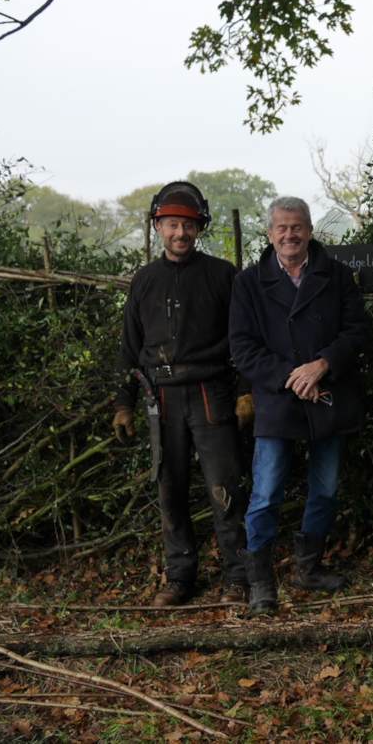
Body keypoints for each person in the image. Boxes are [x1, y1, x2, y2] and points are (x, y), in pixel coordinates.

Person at [112, 181, 251, 607]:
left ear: (199, 229)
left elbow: (244, 338)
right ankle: (180, 577)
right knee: (169, 488)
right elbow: (129, 346)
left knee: (223, 487)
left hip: (211, 393)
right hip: (162, 398)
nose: (180, 233)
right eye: (172, 224)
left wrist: (247, 392)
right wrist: (123, 404)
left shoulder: (222, 276)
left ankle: (237, 577)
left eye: (188, 226)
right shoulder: (145, 281)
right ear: (158, 227)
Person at [229, 196, 368, 616]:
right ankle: (260, 581)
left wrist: (323, 364)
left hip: (327, 395)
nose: (290, 235)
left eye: (297, 227)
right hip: (277, 401)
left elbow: (358, 331)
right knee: (266, 492)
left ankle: (308, 568)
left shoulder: (338, 277)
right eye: (281, 228)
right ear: (270, 234)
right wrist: (294, 377)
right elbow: (242, 347)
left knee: (324, 490)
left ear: (310, 230)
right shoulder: (248, 283)